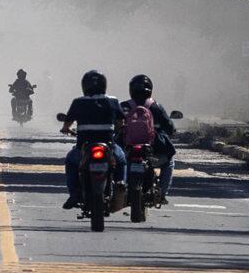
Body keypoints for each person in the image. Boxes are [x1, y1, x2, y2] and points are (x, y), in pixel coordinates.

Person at [59, 70, 127, 210]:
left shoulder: (78, 102)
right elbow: (121, 123)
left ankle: (74, 194)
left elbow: (67, 124)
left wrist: (66, 129)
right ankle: (121, 184)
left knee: (71, 161)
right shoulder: (113, 101)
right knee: (122, 160)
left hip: (84, 147)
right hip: (109, 147)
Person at [120, 74, 178, 204]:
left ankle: (118, 189)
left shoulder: (124, 106)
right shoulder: (156, 106)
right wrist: (172, 131)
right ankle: (162, 194)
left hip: (127, 150)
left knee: (117, 164)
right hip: (152, 151)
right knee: (169, 162)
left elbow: (114, 125)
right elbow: (169, 127)